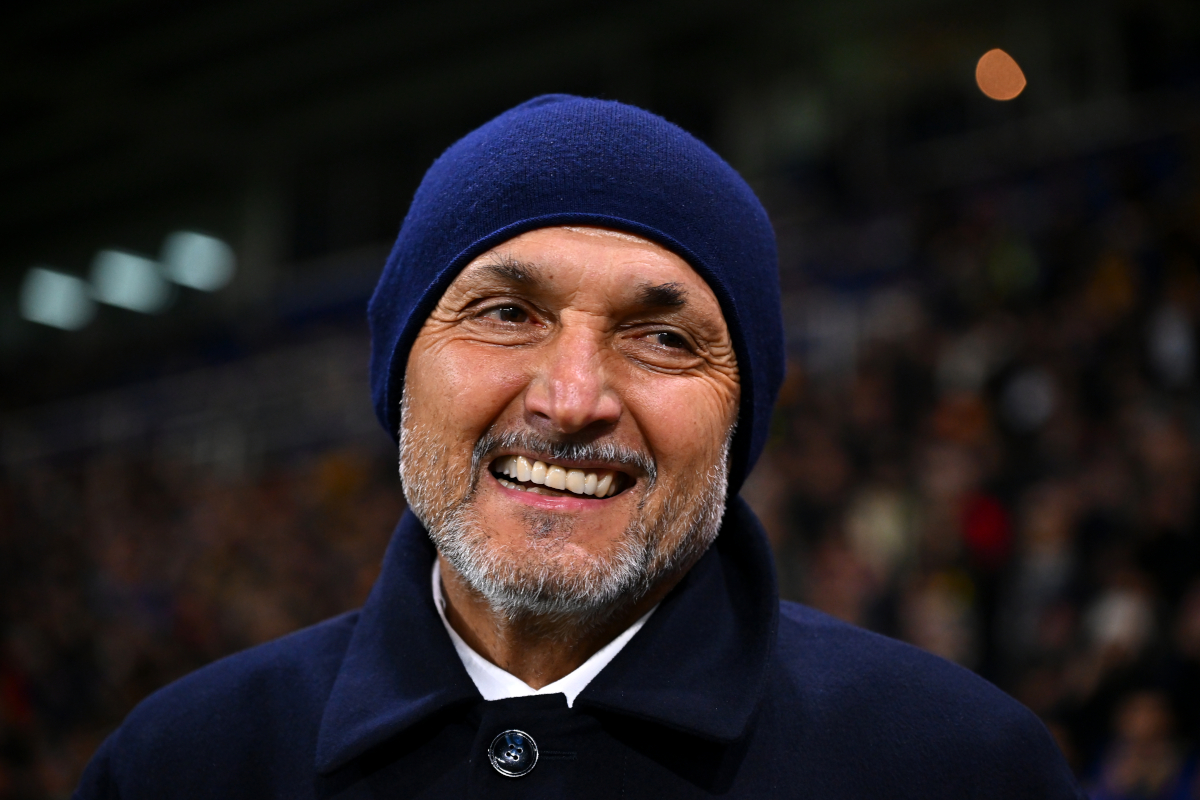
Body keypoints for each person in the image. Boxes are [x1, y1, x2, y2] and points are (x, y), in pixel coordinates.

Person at [74, 95, 1084, 799]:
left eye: (664, 338)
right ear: (399, 374)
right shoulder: (176, 765)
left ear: (742, 415)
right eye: (507, 314)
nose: (571, 401)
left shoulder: (961, 766)